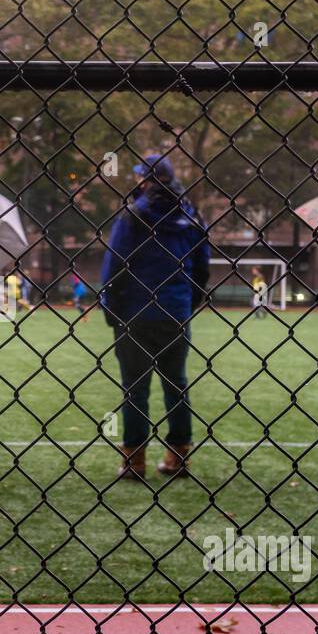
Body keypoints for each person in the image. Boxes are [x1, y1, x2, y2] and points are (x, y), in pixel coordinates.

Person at [100, 154, 210, 481]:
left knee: (135, 389)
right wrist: (186, 304)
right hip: (174, 312)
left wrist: (112, 309)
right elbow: (201, 269)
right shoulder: (192, 218)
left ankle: (134, 461)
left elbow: (113, 267)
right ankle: (178, 457)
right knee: (176, 384)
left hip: (135, 314)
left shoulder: (133, 218)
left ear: (146, 181)